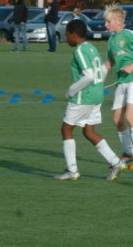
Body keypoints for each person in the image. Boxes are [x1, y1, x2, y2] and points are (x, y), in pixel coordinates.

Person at [53, 19, 126, 181]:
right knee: (88, 131)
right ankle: (116, 163)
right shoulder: (91, 48)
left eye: (67, 34)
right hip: (96, 95)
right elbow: (100, 71)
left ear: (74, 35)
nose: (66, 37)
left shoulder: (79, 50)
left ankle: (72, 171)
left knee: (66, 129)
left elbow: (89, 75)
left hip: (83, 97)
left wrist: (71, 90)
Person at [103, 5, 133, 162]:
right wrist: (97, 77)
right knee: (117, 119)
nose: (105, 25)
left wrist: (131, 66)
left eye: (108, 22)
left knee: (130, 116)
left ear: (119, 21)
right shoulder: (111, 40)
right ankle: (129, 152)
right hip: (121, 82)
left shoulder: (129, 35)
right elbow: (110, 61)